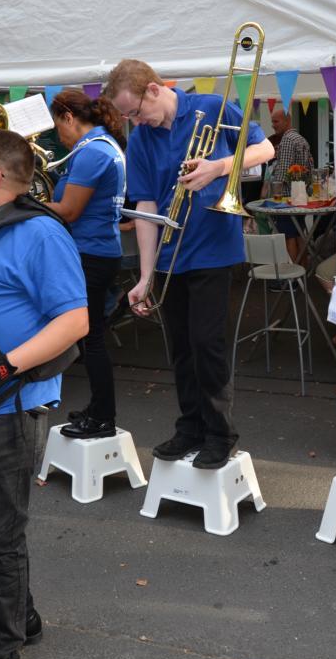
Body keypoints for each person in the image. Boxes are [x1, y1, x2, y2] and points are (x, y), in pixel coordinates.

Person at [0, 128, 88, 659]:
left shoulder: (41, 234)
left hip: (12, 401)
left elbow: (74, 321)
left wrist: (1, 368)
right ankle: (16, 619)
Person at [105, 59, 274, 469]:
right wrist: (146, 275)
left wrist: (218, 167)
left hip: (213, 250)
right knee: (180, 347)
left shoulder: (212, 107)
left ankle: (220, 433)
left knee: (207, 344)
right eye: (127, 117)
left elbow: (265, 148)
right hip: (169, 256)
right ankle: (191, 426)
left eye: (135, 111)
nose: (134, 121)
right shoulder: (141, 139)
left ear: (153, 90)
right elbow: (146, 208)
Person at [44, 88, 127, 439]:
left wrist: (26, 203)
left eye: (58, 126)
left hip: (91, 253)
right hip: (98, 251)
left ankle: (103, 416)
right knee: (90, 337)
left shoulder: (92, 151)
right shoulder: (100, 145)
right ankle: (98, 407)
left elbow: (69, 210)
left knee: (90, 339)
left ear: (68, 118)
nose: (59, 136)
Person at [263, 107, 315, 262]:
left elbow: (282, 173)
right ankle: (303, 270)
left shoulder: (287, 140)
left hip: (286, 199)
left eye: (276, 121)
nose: (273, 125)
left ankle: (294, 272)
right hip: (300, 196)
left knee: (289, 236)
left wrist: (273, 195)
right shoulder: (301, 139)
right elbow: (309, 169)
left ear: (287, 121)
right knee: (299, 233)